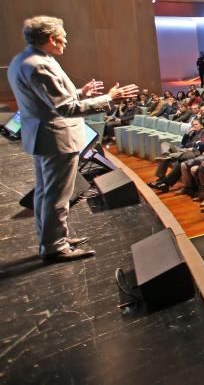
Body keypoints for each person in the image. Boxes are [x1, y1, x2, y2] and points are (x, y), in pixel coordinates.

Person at [7, 16, 139, 262]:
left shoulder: (22, 60)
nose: (66, 40)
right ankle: (55, 246)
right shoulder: (40, 65)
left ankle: (53, 238)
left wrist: (81, 92)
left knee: (46, 192)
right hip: (56, 137)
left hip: (43, 136)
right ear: (50, 38)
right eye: (63, 36)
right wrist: (109, 98)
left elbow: (48, 100)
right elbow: (65, 108)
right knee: (57, 194)